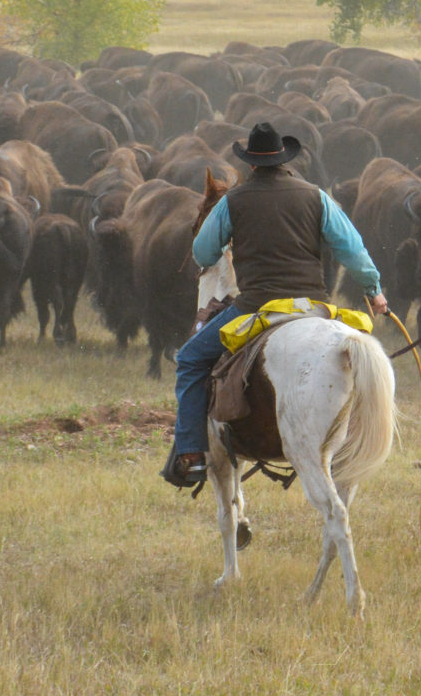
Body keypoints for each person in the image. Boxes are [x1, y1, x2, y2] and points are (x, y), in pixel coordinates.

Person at [161, 121, 387, 488]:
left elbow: (203, 251)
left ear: (251, 165)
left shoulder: (233, 201)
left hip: (256, 307)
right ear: (285, 161)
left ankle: (190, 454)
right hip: (314, 305)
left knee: (189, 360)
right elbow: (352, 249)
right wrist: (374, 291)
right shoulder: (317, 196)